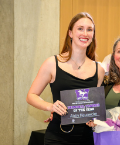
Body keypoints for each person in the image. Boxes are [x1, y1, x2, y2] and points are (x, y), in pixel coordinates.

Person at [28, 13, 100, 145]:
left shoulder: (99, 69)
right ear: (70, 33)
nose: (85, 33)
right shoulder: (52, 63)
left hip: (87, 139)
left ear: (93, 35)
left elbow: (95, 104)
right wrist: (51, 107)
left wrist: (94, 118)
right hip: (57, 138)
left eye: (89, 29)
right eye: (80, 28)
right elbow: (31, 96)